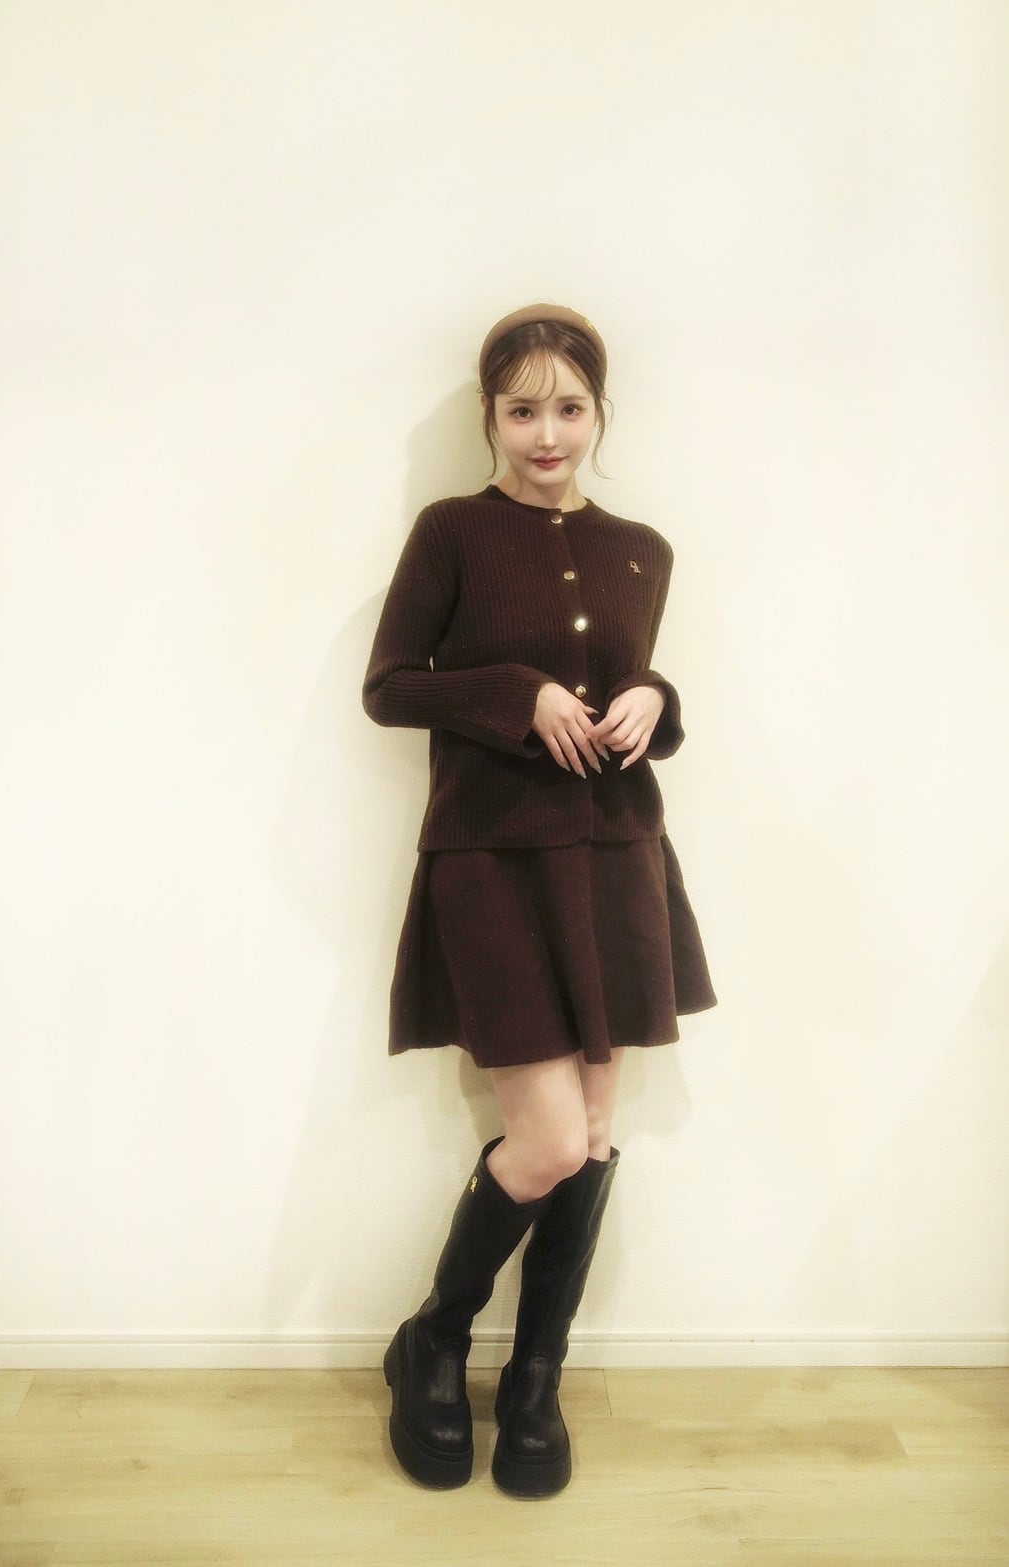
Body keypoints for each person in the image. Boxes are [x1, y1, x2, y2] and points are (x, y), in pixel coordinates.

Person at [362, 303, 716, 1497]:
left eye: (569, 408)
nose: (547, 433)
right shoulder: (452, 532)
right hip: (494, 862)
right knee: (551, 1138)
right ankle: (434, 1337)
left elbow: (623, 684)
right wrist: (513, 692)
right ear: (490, 415)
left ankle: (534, 1378)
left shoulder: (642, 550)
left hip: (615, 859)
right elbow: (389, 687)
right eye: (523, 410)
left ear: (599, 412)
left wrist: (656, 693)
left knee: (594, 1136)